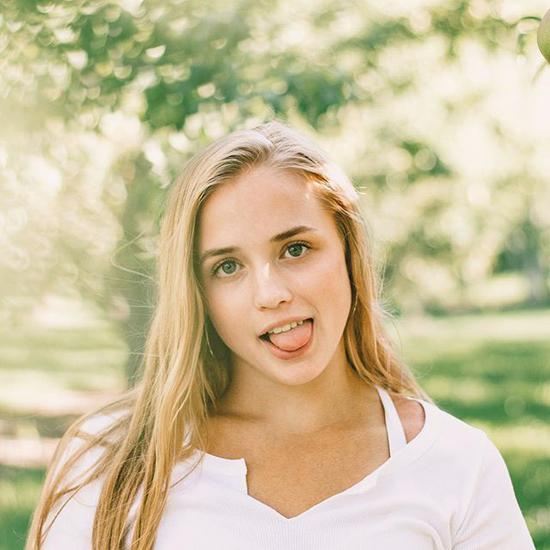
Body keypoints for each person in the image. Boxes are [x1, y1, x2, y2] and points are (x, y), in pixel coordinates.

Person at [27, 120, 535, 550]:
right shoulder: (110, 461)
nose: (269, 294)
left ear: (349, 252)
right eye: (228, 267)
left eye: (295, 249)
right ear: (196, 293)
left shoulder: (456, 465)